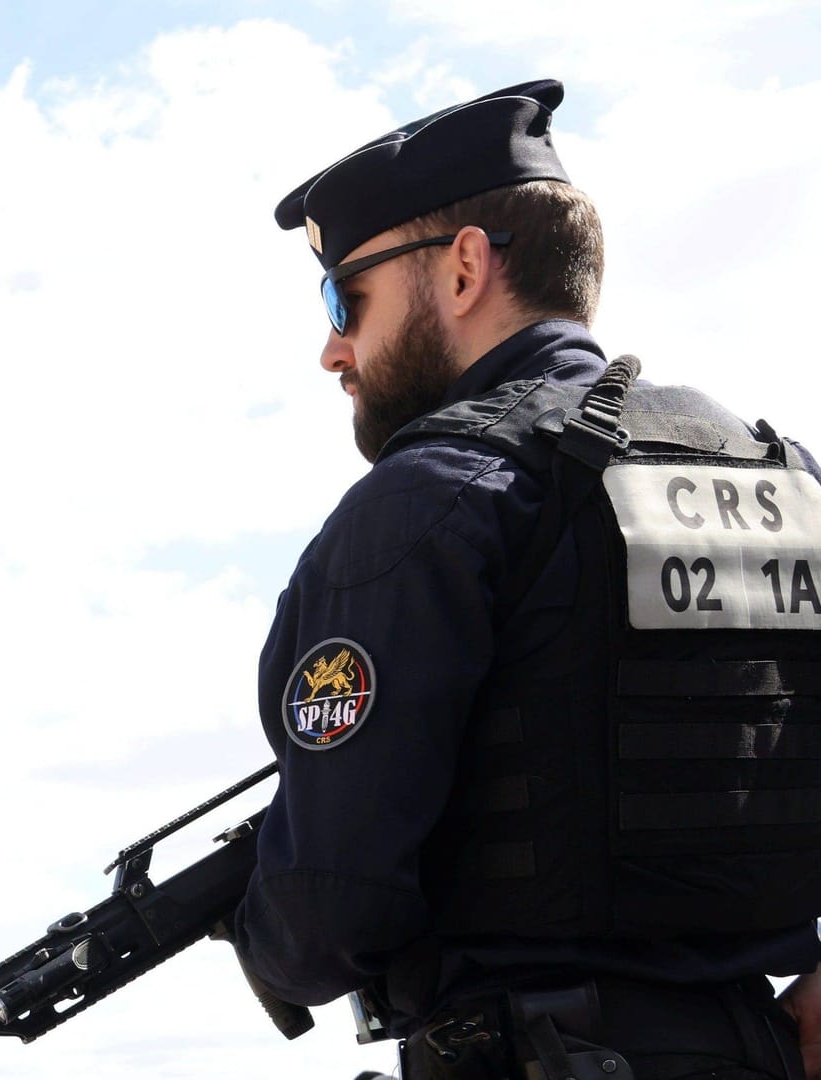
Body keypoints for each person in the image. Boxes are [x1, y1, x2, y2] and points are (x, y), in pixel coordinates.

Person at [226, 78, 821, 1080]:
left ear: (462, 270)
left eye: (345, 298)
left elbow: (329, 915)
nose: (334, 348)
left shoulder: (432, 502)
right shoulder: (785, 480)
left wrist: (254, 924)